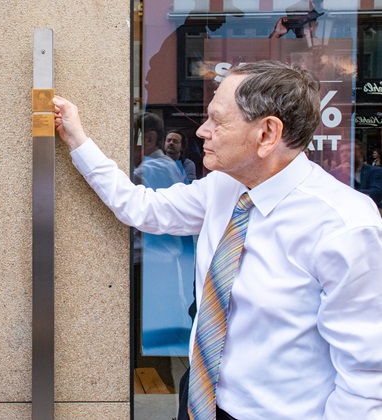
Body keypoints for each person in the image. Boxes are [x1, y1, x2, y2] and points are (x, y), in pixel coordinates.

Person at [53, 60, 382, 418]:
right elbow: (139, 207)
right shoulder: (223, 187)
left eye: (217, 120)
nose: (202, 131)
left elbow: (366, 376)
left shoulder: (345, 226)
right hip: (198, 399)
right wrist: (77, 139)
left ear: (267, 134)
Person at [331, 140, 382, 207]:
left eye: (349, 150)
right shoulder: (334, 173)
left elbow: (376, 194)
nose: (344, 154)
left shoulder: (375, 171)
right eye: (341, 152)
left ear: (360, 153)